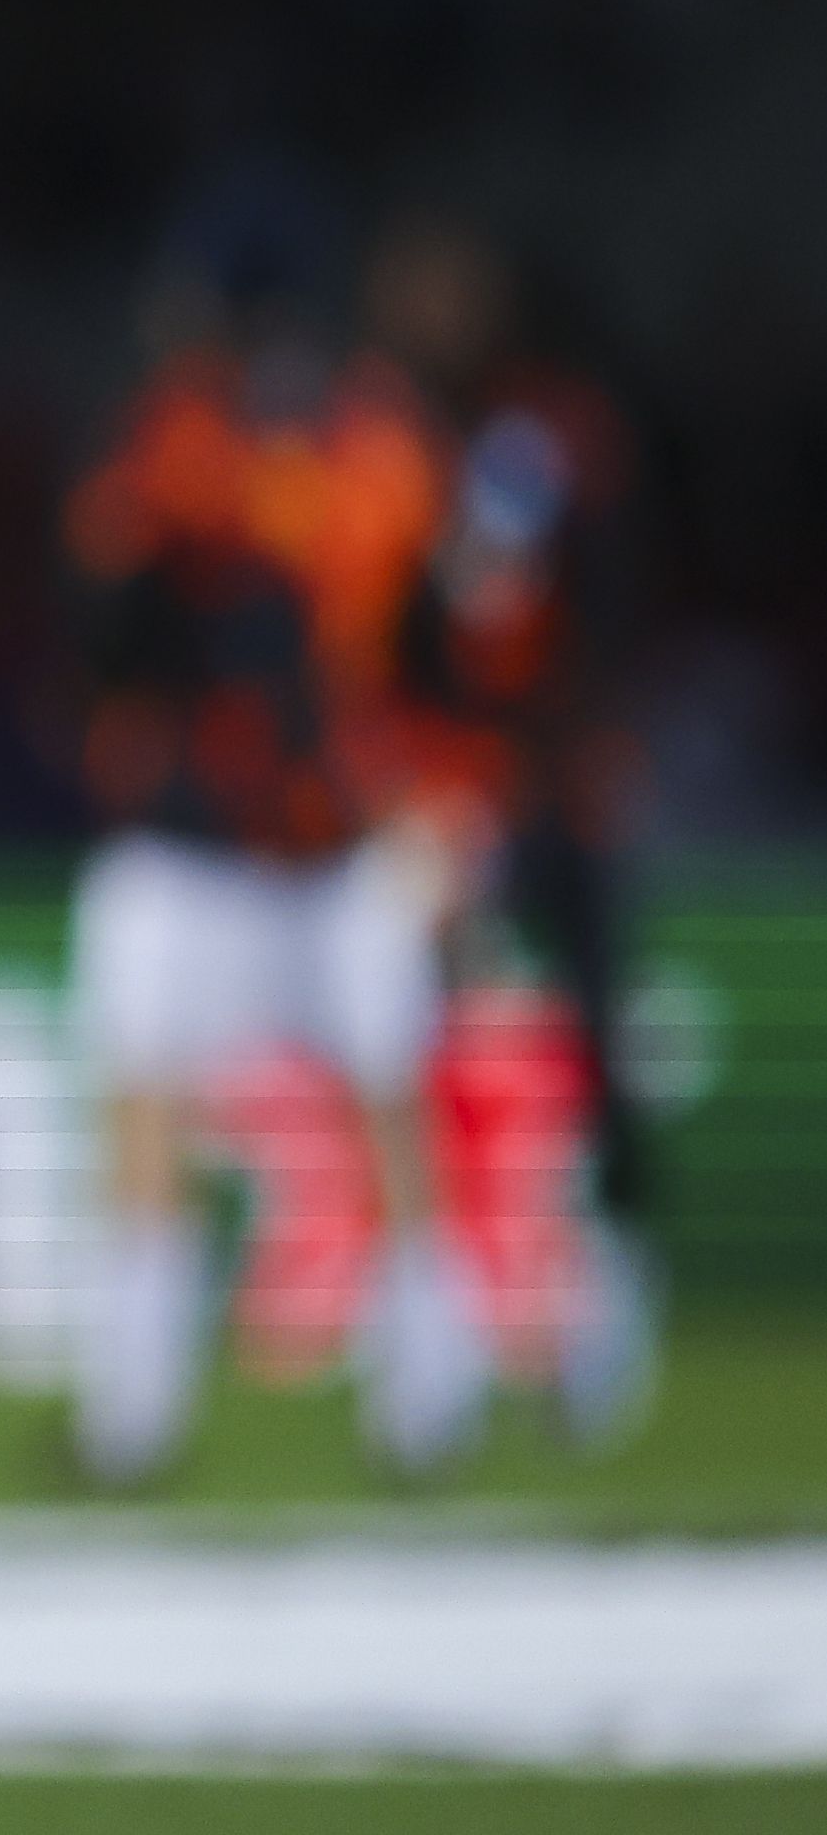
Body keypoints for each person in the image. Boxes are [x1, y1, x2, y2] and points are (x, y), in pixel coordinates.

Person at [54, 231, 484, 1484]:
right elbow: (106, 621)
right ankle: (137, 1403)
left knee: (386, 1101)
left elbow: (435, 649)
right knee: (151, 1095)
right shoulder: (199, 446)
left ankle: (425, 1387)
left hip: (332, 837)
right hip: (200, 836)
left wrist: (438, 799)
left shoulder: (339, 451)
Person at [363, 210, 658, 1444]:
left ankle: (604, 1327)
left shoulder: (557, 433)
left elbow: (606, 600)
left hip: (558, 786)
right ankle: (438, 1355)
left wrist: (570, 751)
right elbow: (391, 630)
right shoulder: (383, 442)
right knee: (418, 1059)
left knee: (587, 1054)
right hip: (450, 791)